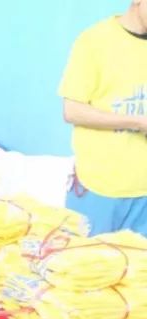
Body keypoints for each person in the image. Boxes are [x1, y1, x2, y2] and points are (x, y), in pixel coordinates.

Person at [60, 0, 147, 235]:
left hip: (144, 192)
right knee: (84, 256)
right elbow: (72, 110)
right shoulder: (94, 41)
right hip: (100, 187)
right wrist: (137, 122)